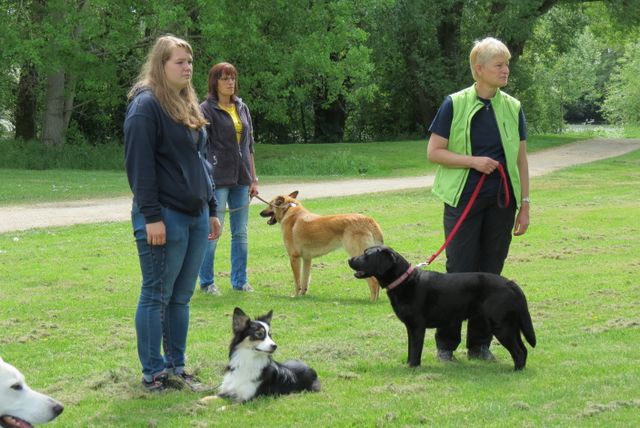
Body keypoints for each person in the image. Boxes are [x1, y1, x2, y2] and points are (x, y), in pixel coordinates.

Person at [124, 35, 221, 391]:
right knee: (156, 294)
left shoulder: (187, 103)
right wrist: (152, 217)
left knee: (181, 297)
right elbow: (140, 168)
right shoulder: (146, 106)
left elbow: (202, 162)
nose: (187, 67)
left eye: (189, 62)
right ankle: (154, 373)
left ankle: (176, 366)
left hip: (196, 215)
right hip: (164, 216)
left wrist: (212, 207)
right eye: (179, 62)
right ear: (160, 65)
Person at [426, 37, 530, 363]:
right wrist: (473, 161)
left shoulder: (513, 107)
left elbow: (521, 160)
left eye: (507, 64)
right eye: (499, 65)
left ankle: (480, 345)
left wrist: (525, 205)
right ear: (479, 69)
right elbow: (434, 152)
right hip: (462, 200)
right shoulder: (454, 104)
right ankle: (446, 346)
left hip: (502, 203)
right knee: (459, 272)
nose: (506, 69)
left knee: (490, 275)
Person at [198, 62, 259, 294]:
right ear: (215, 82)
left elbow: (249, 146)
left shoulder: (242, 107)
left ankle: (240, 281)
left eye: (232, 78)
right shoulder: (206, 109)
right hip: (218, 178)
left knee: (241, 232)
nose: (230, 82)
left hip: (242, 178)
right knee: (214, 231)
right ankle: (207, 282)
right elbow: (201, 146)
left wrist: (253, 179)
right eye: (225, 78)